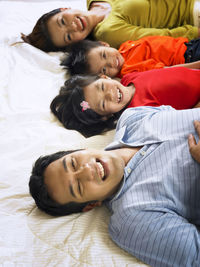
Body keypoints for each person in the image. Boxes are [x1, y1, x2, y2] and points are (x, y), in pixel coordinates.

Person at [29, 105, 200, 267]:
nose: (87, 170)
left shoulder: (132, 118)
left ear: (79, 150)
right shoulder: (132, 219)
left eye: (73, 163)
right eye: (78, 187)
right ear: (91, 204)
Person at [50, 67, 200, 136]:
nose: (109, 94)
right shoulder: (138, 113)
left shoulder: (129, 78)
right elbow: (188, 118)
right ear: (106, 116)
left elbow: (174, 70)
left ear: (104, 77)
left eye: (102, 87)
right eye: (103, 104)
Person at [22, 0, 200, 52]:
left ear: (63, 9)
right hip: (193, 10)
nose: (73, 26)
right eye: (68, 36)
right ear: (74, 43)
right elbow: (165, 37)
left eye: (63, 21)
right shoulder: (108, 33)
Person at [61, 37, 200, 78]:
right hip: (189, 57)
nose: (111, 63)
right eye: (104, 69)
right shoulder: (129, 70)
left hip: (190, 44)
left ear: (104, 43)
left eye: (104, 54)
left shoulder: (125, 45)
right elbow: (168, 71)